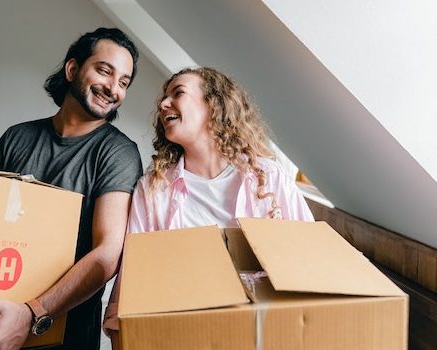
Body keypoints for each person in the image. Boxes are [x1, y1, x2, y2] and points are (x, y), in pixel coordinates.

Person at [102, 67, 314, 347]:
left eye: (177, 93)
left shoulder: (269, 178)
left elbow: (313, 264)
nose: (163, 104)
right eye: (164, 98)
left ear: (213, 105)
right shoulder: (153, 191)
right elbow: (130, 290)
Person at [0, 27, 143, 350]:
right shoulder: (17, 137)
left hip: (65, 333)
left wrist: (31, 314)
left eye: (124, 82)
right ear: (72, 69)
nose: (113, 88)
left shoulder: (118, 153)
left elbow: (107, 254)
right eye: (104, 71)